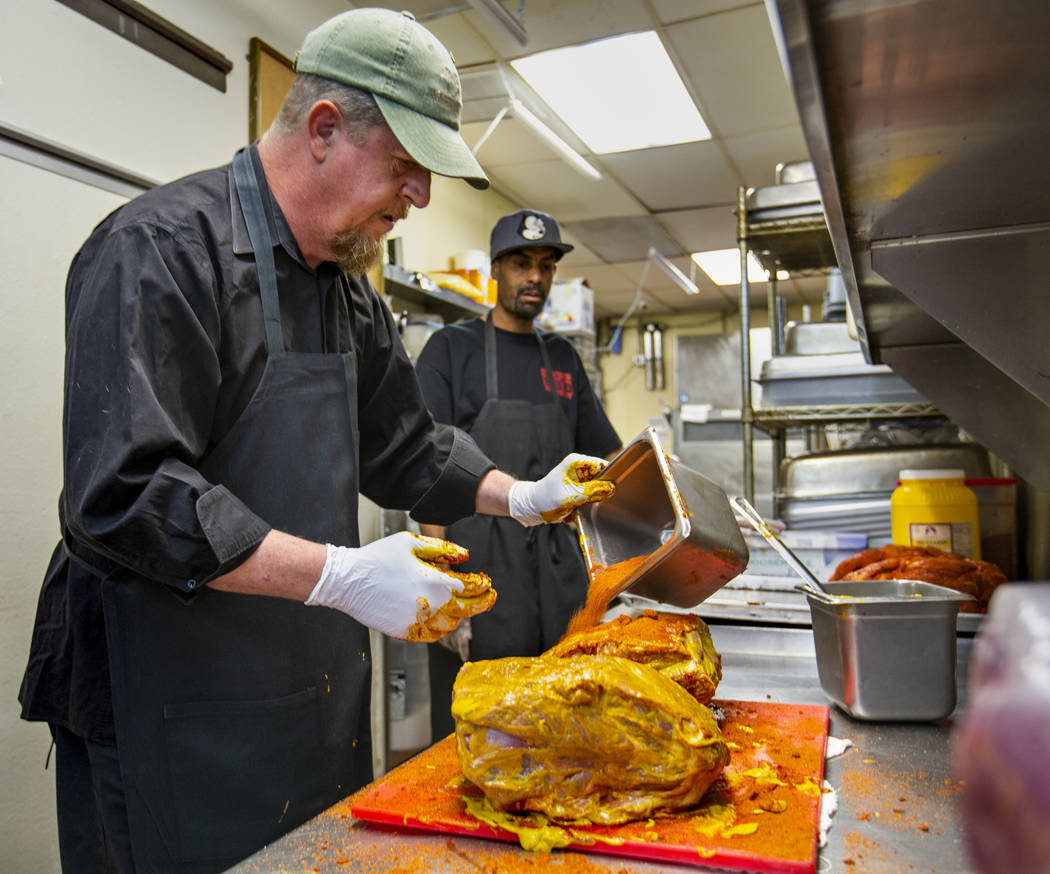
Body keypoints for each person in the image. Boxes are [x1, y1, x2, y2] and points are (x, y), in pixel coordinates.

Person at [17, 11, 614, 874]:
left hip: (306, 697)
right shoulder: (158, 252)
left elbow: (404, 446)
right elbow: (126, 496)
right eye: (408, 167)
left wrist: (516, 497)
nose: (421, 199)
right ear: (325, 130)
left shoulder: (347, 291)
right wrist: (337, 575)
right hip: (164, 706)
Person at [415, 208, 622, 738]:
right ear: (496, 270)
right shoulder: (451, 350)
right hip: (484, 576)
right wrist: (443, 588)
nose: (535, 277)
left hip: (560, 580)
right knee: (484, 735)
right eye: (521, 263)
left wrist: (614, 572)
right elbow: (426, 468)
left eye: (546, 265)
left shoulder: (564, 359)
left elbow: (606, 463)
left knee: (567, 729)